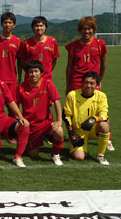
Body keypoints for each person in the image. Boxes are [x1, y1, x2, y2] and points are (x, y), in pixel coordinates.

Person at [65, 16, 114, 151]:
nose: (87, 31)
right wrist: (68, 85)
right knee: (74, 112)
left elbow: (103, 64)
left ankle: (108, 138)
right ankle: (75, 135)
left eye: (90, 29)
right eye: (84, 29)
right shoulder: (73, 46)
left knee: (102, 111)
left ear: (94, 29)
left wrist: (100, 81)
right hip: (76, 82)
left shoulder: (100, 44)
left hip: (93, 83)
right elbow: (69, 67)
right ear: (80, 30)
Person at [17, 60, 65, 166]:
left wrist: (59, 120)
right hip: (30, 125)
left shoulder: (48, 84)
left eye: (36, 71)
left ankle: (55, 155)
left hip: (45, 122)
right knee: (34, 154)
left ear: (41, 73)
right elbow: (15, 105)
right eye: (31, 72)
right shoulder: (21, 87)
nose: (33, 74)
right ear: (27, 74)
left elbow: (57, 101)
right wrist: (20, 118)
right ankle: (29, 142)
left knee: (59, 131)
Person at [64, 71, 111, 166]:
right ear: (82, 83)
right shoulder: (72, 95)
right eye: (86, 82)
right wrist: (71, 133)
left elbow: (104, 114)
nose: (88, 86)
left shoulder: (101, 96)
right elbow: (66, 116)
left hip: (94, 129)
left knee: (104, 125)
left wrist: (94, 119)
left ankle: (101, 154)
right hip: (79, 131)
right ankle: (79, 147)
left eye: (92, 83)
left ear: (97, 85)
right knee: (79, 157)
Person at [0, 12, 22, 101]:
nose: (7, 25)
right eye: (5, 22)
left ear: (14, 25)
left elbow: (20, 62)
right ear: (1, 24)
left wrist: (19, 78)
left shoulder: (18, 42)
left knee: (12, 105)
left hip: (11, 79)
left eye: (10, 22)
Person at [18, 16, 60, 82]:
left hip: (46, 78)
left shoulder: (52, 41)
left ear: (45, 27)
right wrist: (30, 72)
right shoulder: (26, 43)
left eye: (41, 26)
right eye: (36, 26)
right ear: (33, 28)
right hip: (31, 79)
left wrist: (48, 71)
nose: (39, 28)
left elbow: (54, 60)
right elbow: (22, 61)